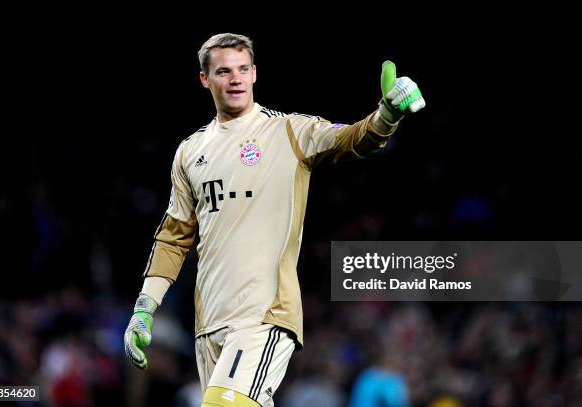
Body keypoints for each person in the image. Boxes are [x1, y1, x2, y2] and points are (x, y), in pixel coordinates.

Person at [124, 33, 425, 406]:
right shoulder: (189, 152)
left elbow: (352, 139)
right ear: (205, 79)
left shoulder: (288, 132)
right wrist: (145, 307)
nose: (235, 78)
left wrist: (386, 115)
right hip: (209, 326)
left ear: (254, 74)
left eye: (242, 69)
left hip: (263, 316)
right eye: (223, 71)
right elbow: (173, 237)